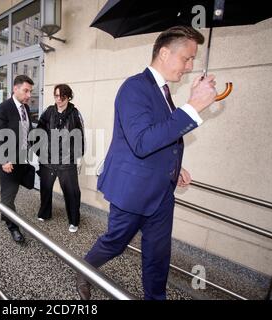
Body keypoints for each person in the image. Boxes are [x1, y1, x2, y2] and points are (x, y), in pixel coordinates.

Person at [76, 26, 218, 300]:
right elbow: (141, 142)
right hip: (133, 190)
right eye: (187, 58)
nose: (189, 67)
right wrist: (192, 107)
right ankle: (83, 269)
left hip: (162, 191)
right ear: (165, 53)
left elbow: (161, 135)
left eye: (192, 61)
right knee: (115, 243)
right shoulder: (134, 87)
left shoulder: (163, 92)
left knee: (158, 254)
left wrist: (174, 167)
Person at [36, 84, 85, 233]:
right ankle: (45, 213)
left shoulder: (75, 114)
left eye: (61, 97)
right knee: (45, 189)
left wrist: (78, 157)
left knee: (72, 192)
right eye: (56, 96)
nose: (58, 99)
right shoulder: (48, 112)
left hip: (66, 160)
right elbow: (39, 131)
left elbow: (81, 136)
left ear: (68, 97)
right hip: (48, 158)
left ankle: (74, 220)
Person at [0, 75, 34, 243]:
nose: (29, 95)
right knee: (9, 195)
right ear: (15, 89)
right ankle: (13, 227)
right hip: (7, 161)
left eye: (30, 91)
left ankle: (5, 212)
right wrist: (4, 160)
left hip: (22, 157)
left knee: (20, 187)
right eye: (26, 90)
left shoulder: (26, 108)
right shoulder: (2, 109)